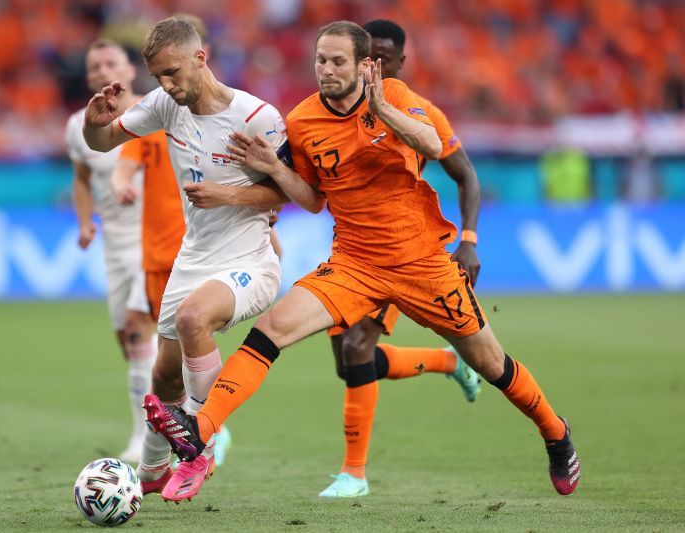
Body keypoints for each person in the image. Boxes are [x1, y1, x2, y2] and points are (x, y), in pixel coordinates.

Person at [145, 21, 580, 499]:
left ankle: (555, 433)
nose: (326, 70)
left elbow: (433, 145)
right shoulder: (304, 121)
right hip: (353, 263)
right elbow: (311, 198)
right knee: (271, 331)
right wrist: (273, 167)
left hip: (421, 262)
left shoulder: (393, 94)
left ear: (362, 65)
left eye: (337, 62)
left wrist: (381, 111)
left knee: (492, 363)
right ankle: (199, 429)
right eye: (320, 60)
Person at [82, 17, 289, 502]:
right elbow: (104, 141)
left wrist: (227, 195)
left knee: (195, 318)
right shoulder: (165, 106)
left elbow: (298, 194)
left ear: (202, 57)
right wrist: (94, 124)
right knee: (163, 375)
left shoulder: (258, 116)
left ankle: (201, 444)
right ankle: (152, 471)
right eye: (158, 77)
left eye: (173, 72)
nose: (167, 85)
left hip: (250, 260)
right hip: (193, 257)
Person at [311, 18, 486, 498]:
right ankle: (448, 363)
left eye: (388, 58)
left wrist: (468, 239)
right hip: (350, 249)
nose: (380, 66)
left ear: (401, 62)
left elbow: (466, 175)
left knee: (356, 348)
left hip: (403, 250)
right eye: (373, 57)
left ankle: (354, 474)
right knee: (349, 363)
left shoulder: (418, 111)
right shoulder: (330, 112)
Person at [64, 38, 153, 464]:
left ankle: (144, 437)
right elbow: (82, 178)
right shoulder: (78, 125)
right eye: (94, 65)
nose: (102, 71)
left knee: (140, 330)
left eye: (110, 63)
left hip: (158, 238)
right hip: (115, 245)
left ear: (130, 70)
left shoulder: (155, 113)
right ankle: (195, 413)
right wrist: (85, 222)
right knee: (130, 342)